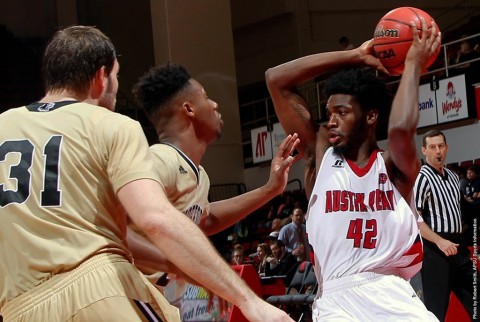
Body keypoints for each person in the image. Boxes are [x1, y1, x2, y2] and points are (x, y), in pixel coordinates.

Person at [0, 25, 294, 322]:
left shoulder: (3, 126)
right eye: (116, 76)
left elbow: (203, 217)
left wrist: (268, 190)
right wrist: (244, 297)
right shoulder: (111, 125)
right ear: (101, 78)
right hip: (99, 288)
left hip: (20, 307)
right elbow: (155, 218)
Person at [265, 18, 441, 321]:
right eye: (329, 113)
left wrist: (412, 63)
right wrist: (354, 56)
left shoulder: (393, 167)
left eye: (342, 112)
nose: (331, 120)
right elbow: (275, 79)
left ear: (371, 116)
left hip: (393, 293)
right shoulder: (321, 155)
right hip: (337, 300)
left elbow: (400, 130)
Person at [131, 62, 300, 319]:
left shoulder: (199, 175)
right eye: (206, 97)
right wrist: (175, 264)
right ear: (188, 109)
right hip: (131, 295)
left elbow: (205, 218)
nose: (215, 105)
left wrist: (270, 189)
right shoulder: (159, 160)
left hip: (162, 300)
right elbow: (114, 228)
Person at [414, 129, 474, 320]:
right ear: (424, 151)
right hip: (436, 250)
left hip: (459, 248)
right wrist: (439, 241)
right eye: (432, 147)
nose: (437, 151)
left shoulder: (454, 177)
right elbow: (414, 219)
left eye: (440, 146)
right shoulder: (421, 177)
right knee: (436, 310)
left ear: (447, 148)